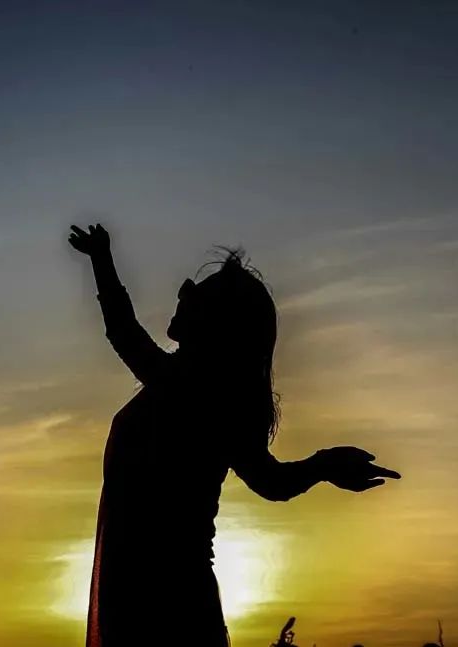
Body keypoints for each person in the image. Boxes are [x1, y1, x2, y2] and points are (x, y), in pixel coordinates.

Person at [68, 224, 401, 647]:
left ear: (216, 321)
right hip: (150, 593)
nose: (183, 296)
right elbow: (272, 482)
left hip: (162, 598)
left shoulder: (195, 391)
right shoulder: (196, 390)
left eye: (195, 295)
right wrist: (324, 465)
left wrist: (101, 259)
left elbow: (123, 331)